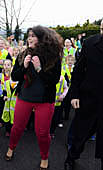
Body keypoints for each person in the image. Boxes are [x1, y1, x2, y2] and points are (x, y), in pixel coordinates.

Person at [5, 26, 63, 170]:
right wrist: (24, 66)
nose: (29, 38)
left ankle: (44, 157)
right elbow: (14, 76)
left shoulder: (53, 56)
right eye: (28, 35)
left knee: (42, 133)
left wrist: (39, 69)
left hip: (44, 101)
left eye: (33, 36)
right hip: (24, 97)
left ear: (42, 39)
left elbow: (54, 80)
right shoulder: (24, 54)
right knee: (17, 127)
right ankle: (11, 148)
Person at [64, 20, 103, 170]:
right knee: (80, 135)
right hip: (88, 100)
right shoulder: (89, 44)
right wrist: (74, 95)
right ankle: (71, 157)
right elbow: (78, 72)